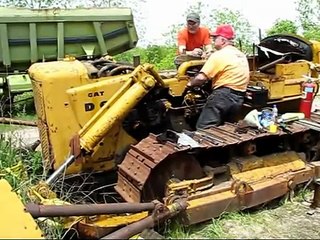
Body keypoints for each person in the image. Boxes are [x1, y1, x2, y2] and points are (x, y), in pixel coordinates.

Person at [186, 24, 250, 129]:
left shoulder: (219, 55)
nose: (213, 40)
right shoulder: (240, 55)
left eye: (215, 38)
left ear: (223, 40)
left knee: (204, 129)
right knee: (226, 128)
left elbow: (201, 78)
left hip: (223, 96)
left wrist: (189, 84)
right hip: (239, 97)